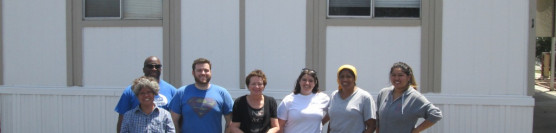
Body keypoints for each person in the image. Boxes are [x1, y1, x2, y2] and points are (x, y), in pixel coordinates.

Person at [169, 58, 234, 133]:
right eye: (199, 70)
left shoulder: (222, 93)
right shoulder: (181, 93)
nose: (203, 73)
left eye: (206, 70)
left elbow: (230, 121)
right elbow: (174, 121)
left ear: (210, 72)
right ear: (193, 73)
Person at [115, 56, 177, 133]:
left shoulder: (172, 92)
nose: (154, 69)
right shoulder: (130, 91)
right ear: (144, 69)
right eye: (150, 66)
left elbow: (177, 118)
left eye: (157, 66)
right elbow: (122, 120)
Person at [376, 62, 442, 133]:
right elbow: (378, 120)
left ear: (408, 77)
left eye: (400, 75)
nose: (396, 78)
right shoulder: (384, 93)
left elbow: (436, 114)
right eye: (393, 75)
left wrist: (416, 130)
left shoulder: (414, 97)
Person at [325, 64, 376, 133]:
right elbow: (332, 121)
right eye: (342, 77)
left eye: (348, 76)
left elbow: (372, 126)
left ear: (354, 78)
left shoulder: (364, 97)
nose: (345, 79)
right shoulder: (334, 95)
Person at [277, 68, 330, 133]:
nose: (307, 83)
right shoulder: (288, 100)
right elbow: (280, 126)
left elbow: (333, 112)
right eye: (304, 80)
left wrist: (321, 122)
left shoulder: (323, 98)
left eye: (311, 80)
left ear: (315, 83)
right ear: (299, 81)